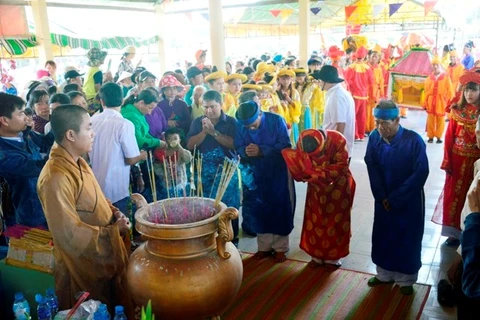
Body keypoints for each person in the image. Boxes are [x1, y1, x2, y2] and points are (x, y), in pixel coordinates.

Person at [37, 104, 134, 317]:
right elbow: (69, 234)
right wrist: (112, 232)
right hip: (82, 268)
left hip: (101, 261)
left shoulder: (77, 161)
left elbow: (96, 197)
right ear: (71, 135)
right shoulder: (56, 177)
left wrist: (114, 212)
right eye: (89, 127)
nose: (93, 132)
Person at [365, 100, 429, 295]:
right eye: (377, 122)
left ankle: (405, 279)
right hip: (383, 199)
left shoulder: (413, 141)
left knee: (407, 236)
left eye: (385, 123)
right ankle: (384, 273)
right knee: (383, 234)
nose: (380, 127)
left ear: (397, 120)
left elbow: (420, 172)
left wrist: (395, 198)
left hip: (407, 200)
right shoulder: (374, 138)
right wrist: (381, 195)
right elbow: (371, 166)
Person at [282, 129, 356, 269]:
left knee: (335, 220)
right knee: (315, 219)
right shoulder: (303, 141)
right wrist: (300, 173)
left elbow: (341, 165)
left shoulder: (337, 139)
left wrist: (315, 173)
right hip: (315, 188)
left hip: (338, 187)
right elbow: (299, 161)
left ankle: (333, 258)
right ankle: (316, 255)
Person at [235, 101, 295, 262]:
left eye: (253, 125)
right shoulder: (241, 126)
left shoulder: (276, 121)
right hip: (256, 173)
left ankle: (281, 248)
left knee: (279, 207)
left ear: (260, 114)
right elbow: (238, 146)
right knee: (260, 209)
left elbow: (285, 145)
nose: (250, 129)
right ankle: (264, 247)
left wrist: (262, 150)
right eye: (247, 127)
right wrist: (245, 151)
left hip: (277, 171)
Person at [433, 68, 480, 246]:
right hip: (457, 159)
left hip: (476, 163)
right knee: (454, 195)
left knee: (473, 196)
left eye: (473, 90)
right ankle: (453, 233)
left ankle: (470, 231)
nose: (469, 94)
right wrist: (447, 160)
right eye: (466, 90)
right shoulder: (457, 111)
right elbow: (449, 138)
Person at [186, 90, 240, 245]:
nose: (209, 111)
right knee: (207, 206)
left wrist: (214, 132)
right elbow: (190, 145)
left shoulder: (231, 122)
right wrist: (204, 132)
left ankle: (231, 241)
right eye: (205, 107)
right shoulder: (197, 122)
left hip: (227, 172)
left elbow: (235, 145)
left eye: (213, 107)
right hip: (203, 172)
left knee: (230, 206)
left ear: (221, 104)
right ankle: (209, 241)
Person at [90, 83, 147, 215]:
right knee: (121, 229)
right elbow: (131, 159)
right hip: (117, 190)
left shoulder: (92, 120)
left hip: (95, 187)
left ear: (102, 101)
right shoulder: (124, 124)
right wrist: (142, 155)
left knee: (104, 227)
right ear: (122, 100)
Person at [0, 93, 53, 228]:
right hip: (27, 219)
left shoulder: (22, 136)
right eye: (21, 114)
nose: (26, 117)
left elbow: (44, 145)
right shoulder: (4, 154)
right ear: (5, 121)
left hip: (43, 207)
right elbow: (34, 167)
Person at [317, 65, 355, 159]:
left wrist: (336, 148)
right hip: (338, 146)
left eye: (320, 81)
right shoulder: (337, 93)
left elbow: (340, 124)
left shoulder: (336, 96)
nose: (319, 83)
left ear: (328, 81)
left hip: (337, 149)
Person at [344, 46, 374, 142]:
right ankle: (361, 135)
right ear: (365, 56)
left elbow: (347, 82)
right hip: (364, 96)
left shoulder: (351, 67)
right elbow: (371, 82)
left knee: (354, 116)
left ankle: (355, 135)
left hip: (354, 95)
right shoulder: (368, 68)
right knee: (362, 116)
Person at [153, 127, 192, 198]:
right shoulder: (162, 152)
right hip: (167, 185)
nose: (172, 141)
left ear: (180, 140)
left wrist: (179, 147)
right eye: (169, 138)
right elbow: (157, 168)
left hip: (181, 184)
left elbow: (188, 159)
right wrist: (164, 175)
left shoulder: (182, 152)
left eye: (175, 138)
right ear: (166, 140)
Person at [423, 56, 454, 143]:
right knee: (430, 119)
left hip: (441, 101)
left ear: (440, 65)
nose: (435, 66)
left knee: (441, 119)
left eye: (436, 65)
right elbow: (426, 92)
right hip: (430, 101)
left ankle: (439, 136)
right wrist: (425, 103)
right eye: (433, 65)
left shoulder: (446, 77)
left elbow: (450, 90)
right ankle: (430, 136)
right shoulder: (429, 78)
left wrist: (450, 102)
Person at [83, 48, 107, 113]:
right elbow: (97, 88)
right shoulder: (97, 71)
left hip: (86, 97)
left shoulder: (90, 69)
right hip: (93, 99)